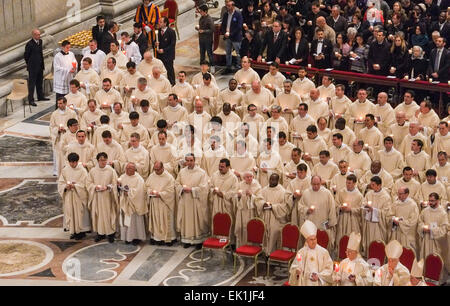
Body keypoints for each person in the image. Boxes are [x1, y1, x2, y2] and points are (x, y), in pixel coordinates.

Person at [176, 154, 210, 249]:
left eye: (191, 160)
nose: (189, 163)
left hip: (196, 201)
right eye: (187, 161)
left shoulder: (201, 172)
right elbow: (176, 184)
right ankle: (186, 240)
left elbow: (204, 187)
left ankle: (199, 240)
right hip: (185, 200)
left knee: (196, 220)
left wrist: (192, 190)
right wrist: (182, 188)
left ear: (195, 161)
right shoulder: (182, 172)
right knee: (186, 220)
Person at [288, 220, 334, 286]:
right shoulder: (301, 252)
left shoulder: (323, 252)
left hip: (319, 282)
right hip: (305, 282)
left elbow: (329, 268)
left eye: (315, 239)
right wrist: (297, 271)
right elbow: (294, 267)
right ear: (307, 240)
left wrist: (319, 276)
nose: (314, 241)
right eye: (311, 239)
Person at [299, 176, 337, 252]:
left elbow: (332, 209)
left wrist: (329, 224)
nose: (316, 186)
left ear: (321, 183)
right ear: (311, 183)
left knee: (323, 248)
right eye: (314, 184)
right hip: (310, 226)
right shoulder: (306, 193)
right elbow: (300, 206)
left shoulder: (327, 193)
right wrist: (307, 210)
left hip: (323, 224)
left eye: (318, 184)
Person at [87, 152, 119, 243]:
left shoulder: (111, 171)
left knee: (108, 214)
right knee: (98, 215)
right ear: (97, 161)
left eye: (105, 160)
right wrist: (95, 187)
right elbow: (88, 183)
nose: (103, 162)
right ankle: (100, 233)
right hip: (97, 196)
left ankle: (110, 234)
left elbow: (114, 183)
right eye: (101, 160)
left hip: (107, 196)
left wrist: (108, 187)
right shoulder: (93, 171)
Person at [255, 173, 290, 255]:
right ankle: (264, 251)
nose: (272, 181)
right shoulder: (264, 190)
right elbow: (258, 199)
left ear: (278, 180)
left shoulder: (282, 191)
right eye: (271, 179)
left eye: (274, 180)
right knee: (264, 232)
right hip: (265, 215)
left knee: (273, 232)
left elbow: (284, 206)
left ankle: (272, 253)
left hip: (276, 217)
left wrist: (273, 207)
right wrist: (263, 204)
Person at [417, 192, 448, 284]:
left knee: (436, 260)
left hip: (437, 242)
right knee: (425, 257)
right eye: (429, 200)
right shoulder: (425, 211)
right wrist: (423, 228)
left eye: (433, 201)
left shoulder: (442, 213)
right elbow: (419, 222)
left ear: (438, 201)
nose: (430, 202)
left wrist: (432, 230)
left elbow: (445, 228)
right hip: (426, 240)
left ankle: (437, 279)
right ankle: (425, 278)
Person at [57, 153, 89, 240]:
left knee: (79, 213)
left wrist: (75, 186)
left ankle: (80, 232)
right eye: (71, 162)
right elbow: (61, 182)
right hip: (69, 195)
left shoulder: (82, 170)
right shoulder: (65, 170)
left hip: (78, 196)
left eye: (74, 162)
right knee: (70, 212)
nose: (72, 164)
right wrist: (65, 186)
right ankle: (72, 231)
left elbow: (85, 183)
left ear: (77, 161)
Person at [146, 161, 176, 246]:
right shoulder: (152, 176)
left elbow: (171, 191)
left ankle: (168, 239)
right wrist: (150, 191)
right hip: (155, 203)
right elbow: (146, 187)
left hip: (165, 203)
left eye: (158, 170)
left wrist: (160, 194)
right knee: (156, 221)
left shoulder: (169, 177)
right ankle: (157, 238)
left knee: (165, 221)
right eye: (155, 169)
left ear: (162, 168)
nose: (156, 171)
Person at [118, 162, 148, 245]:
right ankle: (127, 237)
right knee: (126, 220)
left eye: (130, 169)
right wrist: (119, 185)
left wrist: (129, 193)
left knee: (135, 221)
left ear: (134, 169)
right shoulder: (123, 176)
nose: (127, 170)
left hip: (134, 203)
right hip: (125, 202)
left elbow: (140, 191)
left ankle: (136, 238)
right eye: (126, 168)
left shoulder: (139, 179)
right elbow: (119, 184)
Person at [361, 176, 391, 256]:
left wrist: (374, 210)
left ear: (379, 185)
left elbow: (386, 213)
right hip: (369, 223)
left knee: (378, 243)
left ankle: (379, 258)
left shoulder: (386, 197)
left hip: (379, 226)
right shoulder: (369, 193)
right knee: (369, 242)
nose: (371, 186)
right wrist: (366, 207)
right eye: (371, 184)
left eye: (373, 185)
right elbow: (363, 203)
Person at [50, 97, 78, 176]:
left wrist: (65, 129)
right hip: (58, 137)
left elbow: (75, 124)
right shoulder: (54, 114)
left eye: (61, 103)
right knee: (59, 155)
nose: (59, 105)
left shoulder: (72, 113)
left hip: (69, 136)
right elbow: (51, 127)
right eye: (58, 103)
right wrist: (58, 129)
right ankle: (59, 171)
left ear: (65, 103)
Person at [235, 172, 262, 248]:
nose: (250, 178)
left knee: (251, 229)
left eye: (251, 176)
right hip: (242, 211)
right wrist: (239, 197)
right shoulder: (240, 185)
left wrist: (251, 195)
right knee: (241, 228)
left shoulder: (257, 185)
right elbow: (235, 197)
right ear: (244, 178)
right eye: (247, 177)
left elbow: (260, 199)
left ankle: (253, 247)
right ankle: (241, 246)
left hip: (252, 212)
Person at [388, 187, 419, 252]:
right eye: (398, 194)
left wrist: (400, 222)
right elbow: (389, 216)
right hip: (396, 232)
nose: (398, 196)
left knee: (406, 251)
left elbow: (413, 221)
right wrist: (393, 219)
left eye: (401, 194)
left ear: (407, 194)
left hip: (407, 234)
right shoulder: (395, 204)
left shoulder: (412, 205)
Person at [24, 29, 49, 106]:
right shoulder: (29, 44)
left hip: (40, 66)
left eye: (39, 34)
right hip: (32, 68)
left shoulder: (40, 42)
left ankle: (40, 96)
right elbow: (26, 56)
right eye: (37, 35)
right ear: (33, 35)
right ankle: (31, 100)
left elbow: (40, 53)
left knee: (39, 82)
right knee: (32, 84)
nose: (39, 36)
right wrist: (31, 64)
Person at [53, 40, 77, 109]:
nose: (68, 49)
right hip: (61, 79)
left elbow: (74, 62)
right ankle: (58, 109)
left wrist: (74, 68)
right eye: (67, 47)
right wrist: (68, 70)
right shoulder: (58, 56)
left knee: (68, 96)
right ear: (62, 47)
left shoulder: (71, 54)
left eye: (69, 47)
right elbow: (57, 68)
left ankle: (67, 108)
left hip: (69, 77)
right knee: (60, 96)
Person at [221, 1, 243, 73]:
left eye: (229, 6)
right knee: (228, 53)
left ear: (233, 6)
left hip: (236, 37)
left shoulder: (238, 14)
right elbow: (223, 25)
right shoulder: (226, 14)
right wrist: (224, 33)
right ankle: (228, 67)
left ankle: (239, 67)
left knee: (238, 53)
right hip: (227, 37)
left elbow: (239, 27)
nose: (228, 7)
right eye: (227, 6)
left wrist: (231, 34)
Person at [156, 17, 176, 86]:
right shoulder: (158, 31)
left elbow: (172, 44)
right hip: (160, 55)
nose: (159, 23)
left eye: (161, 22)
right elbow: (154, 41)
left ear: (165, 23)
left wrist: (164, 50)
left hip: (168, 55)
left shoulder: (171, 32)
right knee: (162, 70)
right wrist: (155, 44)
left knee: (169, 70)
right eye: (159, 22)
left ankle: (172, 83)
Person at [197, 5, 215, 70]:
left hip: (208, 40)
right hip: (201, 39)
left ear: (205, 11)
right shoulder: (201, 18)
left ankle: (212, 66)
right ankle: (202, 66)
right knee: (202, 54)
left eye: (201, 11)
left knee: (209, 53)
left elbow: (212, 29)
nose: (200, 13)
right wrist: (198, 28)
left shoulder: (209, 19)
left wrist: (204, 31)